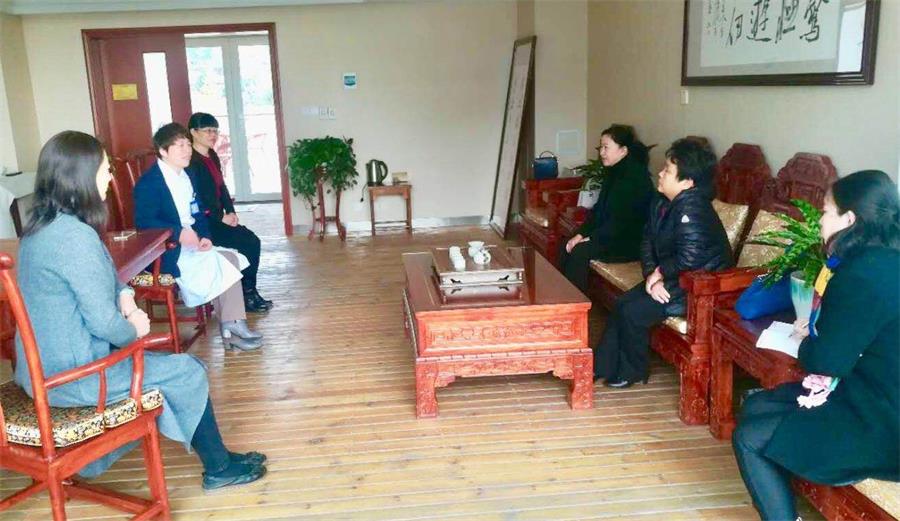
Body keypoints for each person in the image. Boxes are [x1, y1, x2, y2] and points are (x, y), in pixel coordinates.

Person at [15, 130, 267, 489]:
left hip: (44, 369)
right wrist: (134, 327)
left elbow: (108, 277)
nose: (110, 177)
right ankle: (217, 468)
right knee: (187, 371)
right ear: (81, 176)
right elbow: (105, 324)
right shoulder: (74, 238)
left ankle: (220, 459)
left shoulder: (43, 229)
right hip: (72, 377)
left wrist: (126, 296)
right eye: (105, 169)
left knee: (178, 369)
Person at [732, 170, 899, 521]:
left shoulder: (861, 274)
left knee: (749, 436)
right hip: (870, 394)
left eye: (825, 211)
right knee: (757, 404)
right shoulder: (885, 258)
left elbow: (826, 361)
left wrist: (810, 336)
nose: (820, 220)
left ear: (849, 219)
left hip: (881, 422)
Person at [594, 137, 732, 387]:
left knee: (633, 312)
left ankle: (633, 371)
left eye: (667, 171)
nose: (660, 174)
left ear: (688, 182)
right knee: (623, 303)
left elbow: (690, 258)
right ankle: (600, 366)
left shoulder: (693, 209)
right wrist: (652, 274)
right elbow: (647, 240)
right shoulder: (662, 201)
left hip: (697, 288)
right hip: (672, 278)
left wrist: (659, 274)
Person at [134, 123, 264, 351]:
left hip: (192, 244)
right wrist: (178, 233)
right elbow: (145, 223)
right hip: (168, 251)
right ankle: (232, 328)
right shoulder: (150, 183)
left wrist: (204, 236)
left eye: (187, 145)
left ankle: (233, 325)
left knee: (230, 259)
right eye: (179, 146)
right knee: (223, 262)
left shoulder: (188, 175)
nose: (187, 150)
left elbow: (198, 211)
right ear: (163, 151)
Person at [186, 112, 272, 312]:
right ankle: (247, 294)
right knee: (249, 242)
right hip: (205, 223)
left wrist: (231, 211)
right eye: (208, 130)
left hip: (218, 218)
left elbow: (221, 187)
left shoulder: (211, 156)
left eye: (215, 131)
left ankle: (249, 292)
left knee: (251, 240)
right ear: (194, 132)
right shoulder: (191, 162)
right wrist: (219, 217)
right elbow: (197, 198)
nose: (213, 135)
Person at [558, 125, 655, 292]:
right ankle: (561, 297)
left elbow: (622, 221)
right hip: (610, 233)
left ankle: (576, 303)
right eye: (600, 147)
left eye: (606, 147)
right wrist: (581, 234)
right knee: (566, 244)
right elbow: (598, 210)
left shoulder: (634, 177)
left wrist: (591, 238)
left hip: (628, 241)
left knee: (580, 251)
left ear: (623, 150)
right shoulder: (614, 171)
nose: (601, 152)